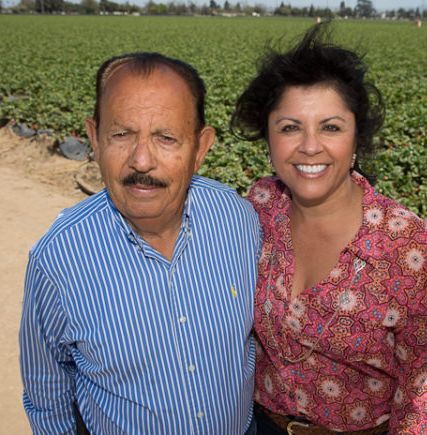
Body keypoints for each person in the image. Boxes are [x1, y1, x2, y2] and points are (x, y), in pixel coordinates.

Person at [230, 24, 427, 434]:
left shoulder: (403, 245)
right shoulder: (258, 208)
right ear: (269, 140)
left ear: (357, 138)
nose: (310, 145)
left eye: (331, 127)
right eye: (289, 127)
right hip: (260, 424)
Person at [19, 52, 261, 434]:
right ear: (95, 139)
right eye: (121, 135)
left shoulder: (238, 221)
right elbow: (47, 393)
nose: (142, 160)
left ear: (200, 148)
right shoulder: (59, 258)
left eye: (166, 138)